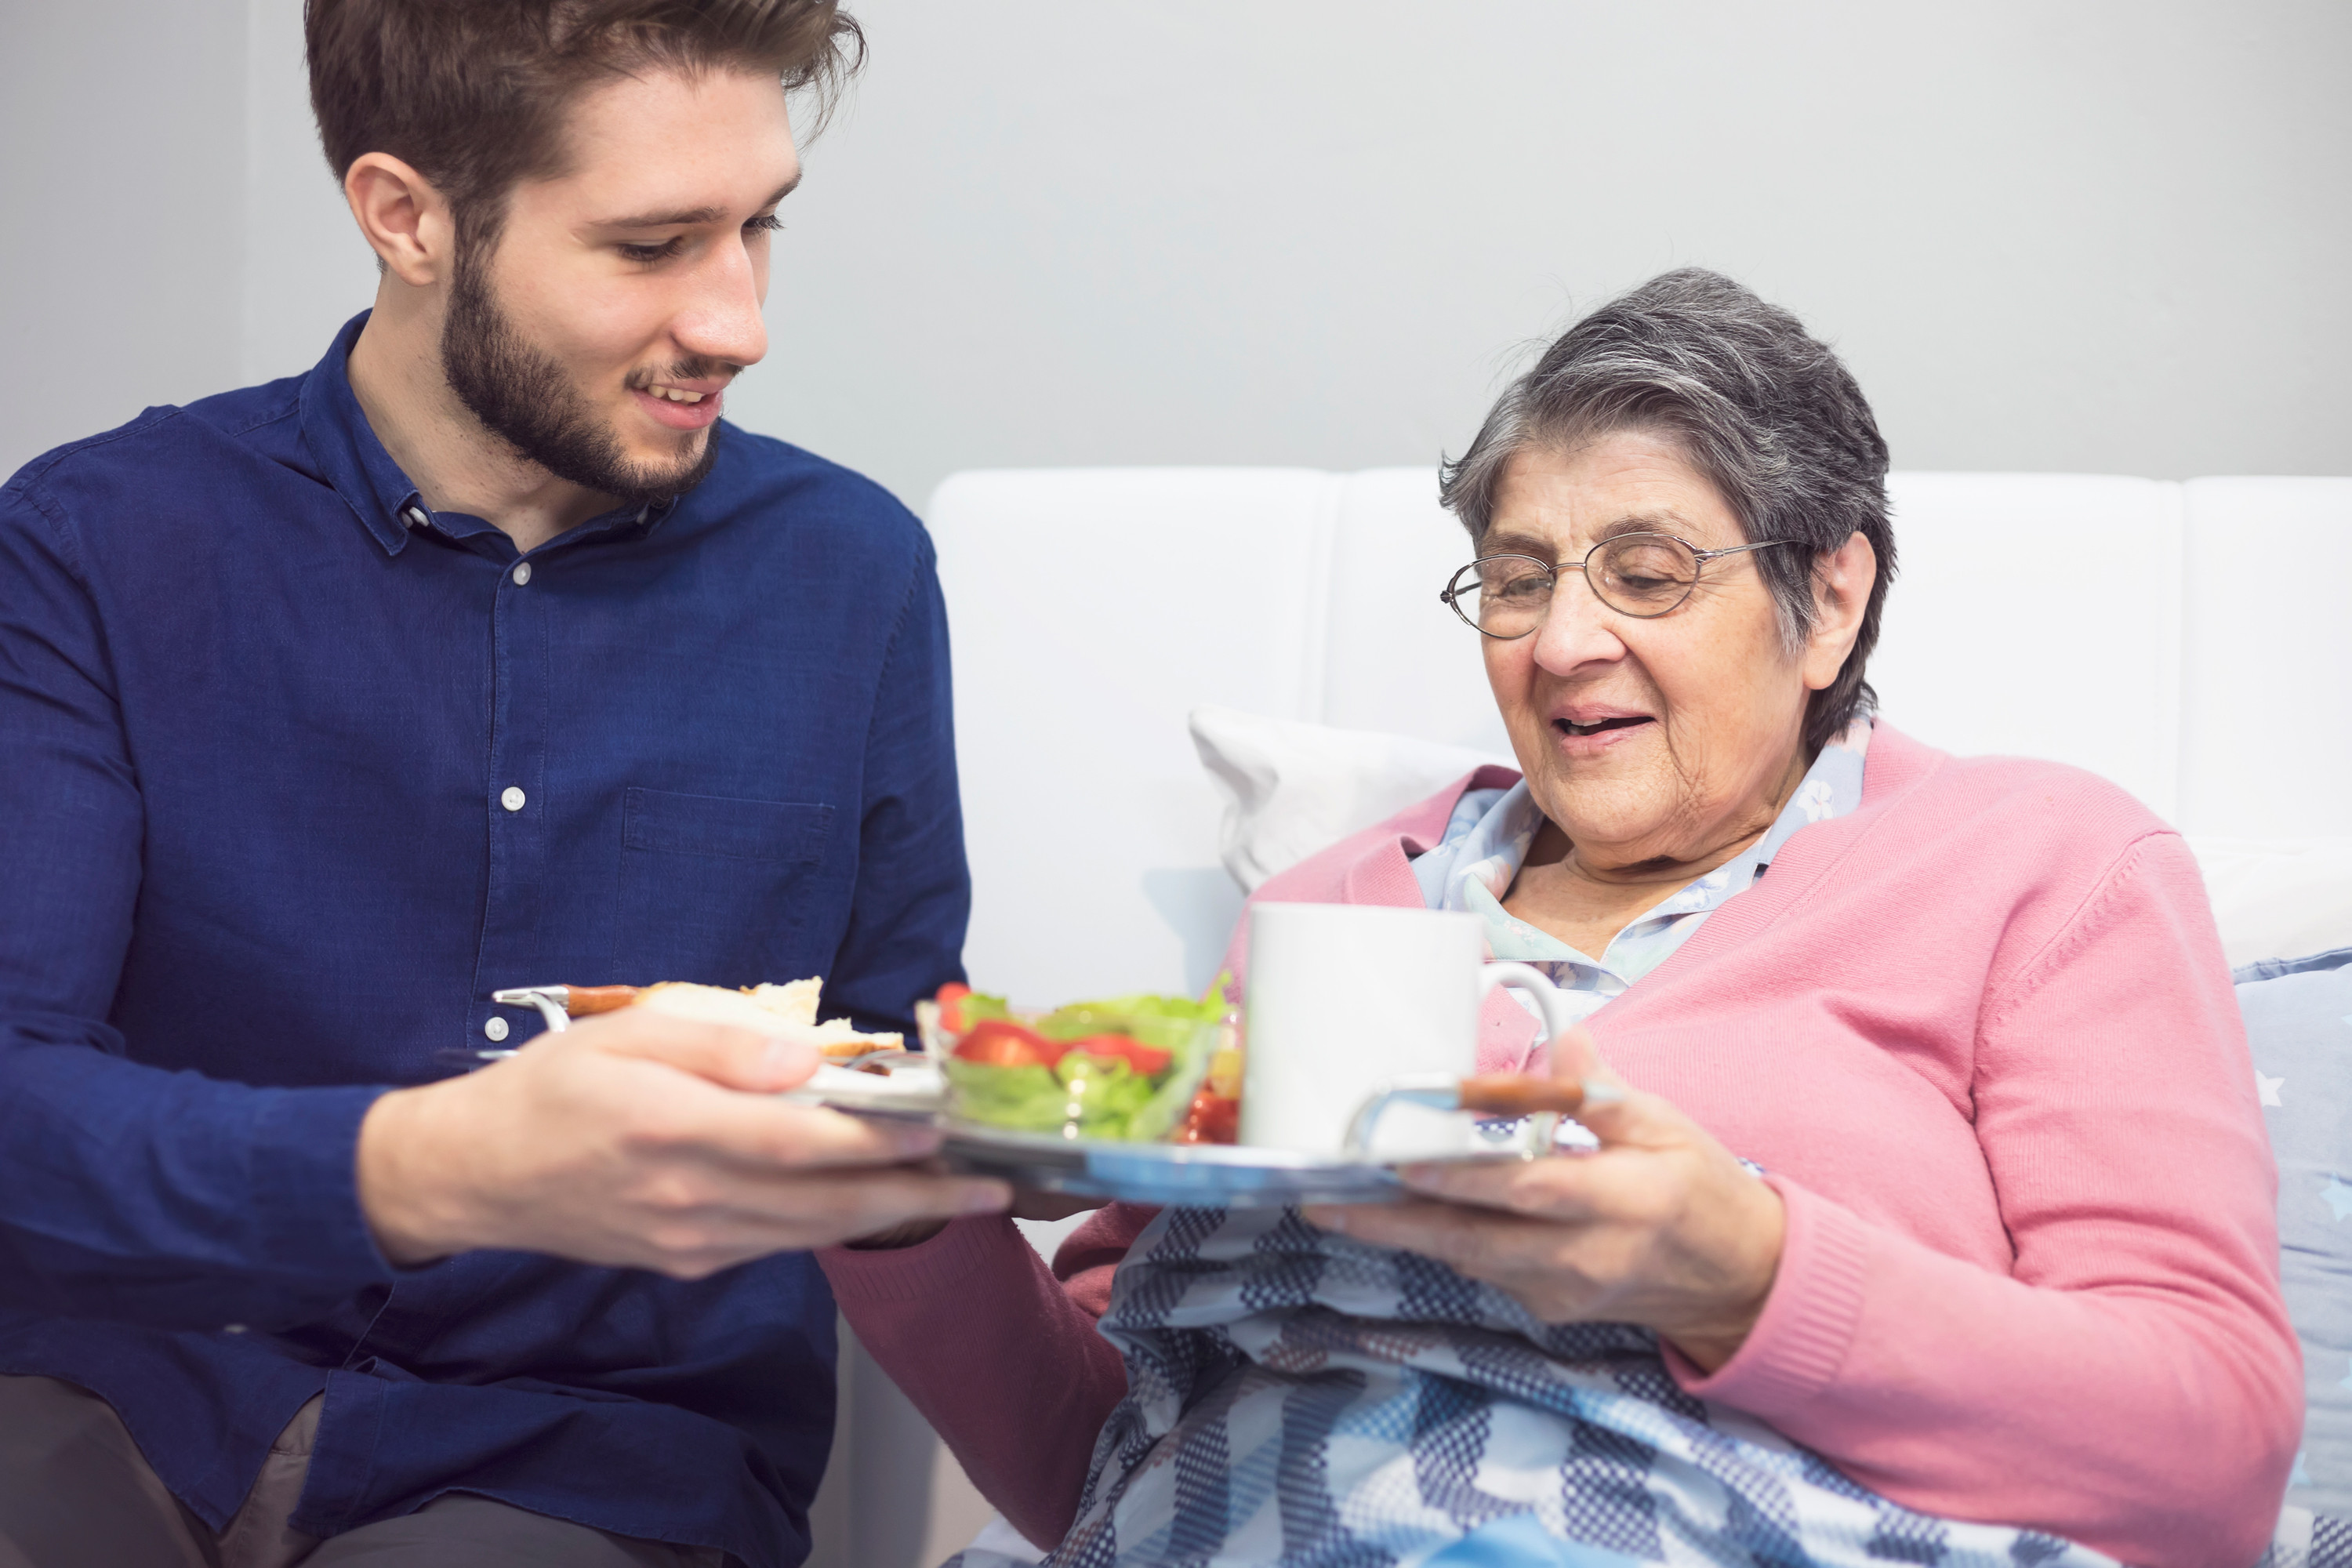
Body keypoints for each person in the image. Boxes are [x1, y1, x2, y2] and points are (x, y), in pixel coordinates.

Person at [822, 270, 2299, 1566]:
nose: (1564, 641)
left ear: (1831, 598)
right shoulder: (1330, 909)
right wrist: (903, 1224)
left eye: (1647, 575)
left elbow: (2211, 1454)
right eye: (1518, 582)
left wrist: (1748, 1277)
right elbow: (1110, 1456)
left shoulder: (2043, 866)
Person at [0, 2, 1011, 1565]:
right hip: (120, 1390)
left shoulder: (850, 575)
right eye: (654, 243)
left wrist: (1106, 1154)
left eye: (759, 229)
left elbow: (892, 1061)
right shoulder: (94, 545)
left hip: (589, 1455)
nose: (741, 321)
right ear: (406, 216)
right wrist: (417, 1167)